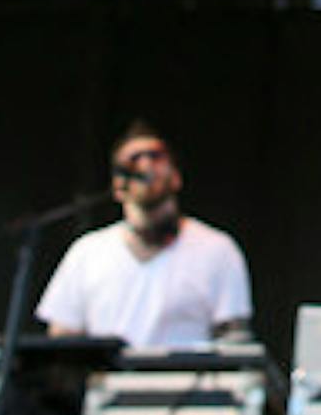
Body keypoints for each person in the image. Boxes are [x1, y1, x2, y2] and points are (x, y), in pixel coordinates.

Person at [36, 120, 253, 347]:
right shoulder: (86, 253)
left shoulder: (217, 249)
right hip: (105, 381)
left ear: (176, 177)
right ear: (118, 185)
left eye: (156, 156)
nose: (146, 165)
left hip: (185, 380)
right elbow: (62, 337)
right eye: (133, 160)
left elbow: (233, 342)